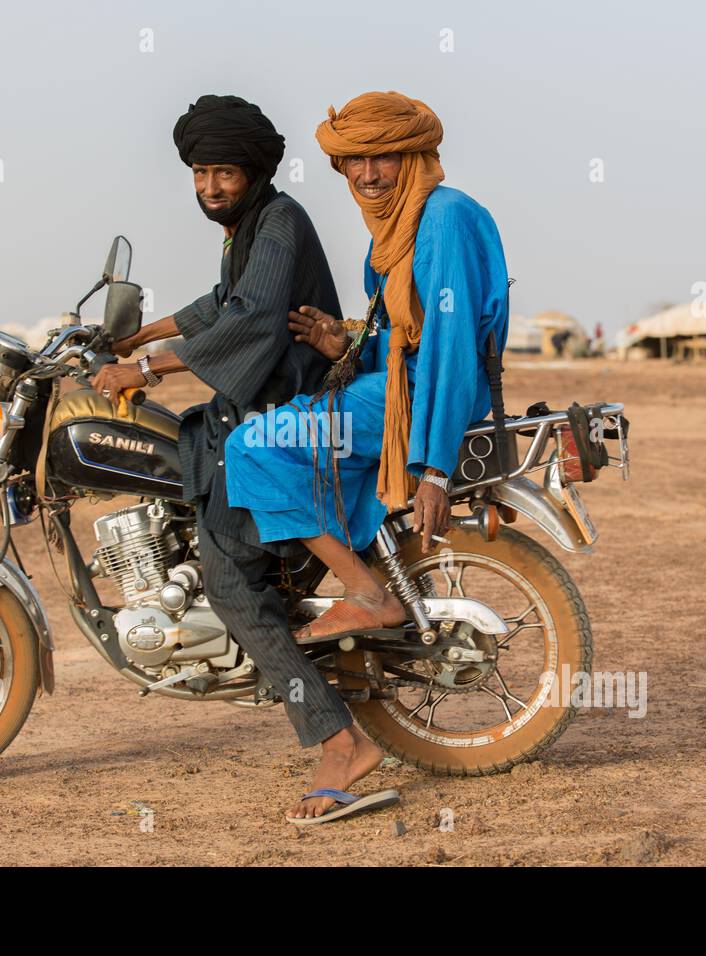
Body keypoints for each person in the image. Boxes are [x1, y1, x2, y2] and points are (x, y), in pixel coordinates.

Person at [89, 95, 385, 822]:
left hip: (288, 412)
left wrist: (149, 368)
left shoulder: (279, 221)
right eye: (200, 172)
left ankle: (341, 740)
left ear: (253, 171)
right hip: (256, 407)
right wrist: (134, 337)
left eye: (223, 171)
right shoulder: (247, 230)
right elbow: (222, 300)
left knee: (228, 577)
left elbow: (249, 320)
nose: (211, 186)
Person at [225, 93, 511, 811]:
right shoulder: (394, 234)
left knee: (252, 446)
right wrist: (343, 342)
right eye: (353, 160)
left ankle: (366, 593)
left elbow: (448, 350)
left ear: (415, 158)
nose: (368, 173)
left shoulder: (441, 218)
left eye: (383, 156)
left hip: (415, 403)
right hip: (395, 388)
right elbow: (403, 337)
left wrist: (434, 464)